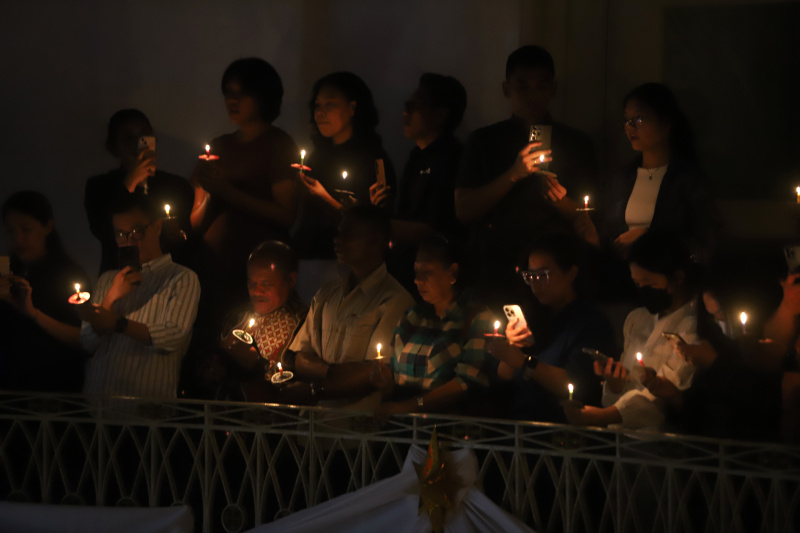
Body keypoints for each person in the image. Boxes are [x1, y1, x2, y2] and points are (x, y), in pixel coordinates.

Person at [454, 45, 597, 304]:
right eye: (523, 86)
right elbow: (463, 210)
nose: (533, 95)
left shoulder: (576, 143)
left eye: (542, 86)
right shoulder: (484, 141)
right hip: (494, 269)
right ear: (506, 89)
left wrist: (560, 201)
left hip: (553, 275)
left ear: (553, 89)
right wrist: (513, 174)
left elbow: (590, 220)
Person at [190, 57, 299, 321]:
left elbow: (286, 214)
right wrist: (208, 191)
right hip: (214, 267)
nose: (232, 101)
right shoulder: (218, 147)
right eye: (228, 93)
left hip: (258, 272)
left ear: (262, 96)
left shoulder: (278, 144)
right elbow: (194, 221)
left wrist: (227, 191)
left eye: (242, 93)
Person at [566, 232, 698, 430]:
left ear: (677, 278)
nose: (643, 290)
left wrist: (600, 417)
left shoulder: (692, 327)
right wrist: (615, 383)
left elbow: (661, 399)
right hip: (622, 444)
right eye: (637, 284)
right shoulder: (638, 320)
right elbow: (626, 388)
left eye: (650, 283)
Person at [288, 205, 414, 408]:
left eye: (349, 234)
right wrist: (334, 373)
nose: (338, 240)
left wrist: (316, 387)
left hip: (359, 428)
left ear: (376, 241)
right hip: (313, 426)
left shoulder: (395, 301)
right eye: (339, 232)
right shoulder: (327, 294)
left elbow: (373, 373)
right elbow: (300, 357)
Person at [487, 233, 616, 423]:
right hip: (520, 426)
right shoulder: (534, 316)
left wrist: (524, 362)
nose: (535, 283)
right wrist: (510, 349)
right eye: (530, 276)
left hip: (562, 431)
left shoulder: (591, 321)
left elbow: (577, 384)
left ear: (571, 273)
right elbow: (503, 376)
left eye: (543, 275)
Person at [80, 195, 200, 398]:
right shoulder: (109, 280)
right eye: (121, 234)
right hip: (98, 403)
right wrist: (111, 298)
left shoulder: (181, 278)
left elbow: (173, 336)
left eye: (137, 231)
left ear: (157, 227)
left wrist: (119, 324)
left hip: (147, 409)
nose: (129, 242)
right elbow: (87, 341)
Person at [372, 236, 491, 422]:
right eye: (416, 271)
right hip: (401, 431)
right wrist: (383, 380)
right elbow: (392, 374)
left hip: (445, 432)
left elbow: (467, 382)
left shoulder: (475, 318)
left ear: (452, 273)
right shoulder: (412, 317)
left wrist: (411, 406)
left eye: (427, 272)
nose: (418, 280)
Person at [600, 83, 716, 259]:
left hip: (667, 277)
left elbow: (703, 244)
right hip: (621, 278)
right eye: (626, 120)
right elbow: (608, 235)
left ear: (666, 123)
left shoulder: (689, 180)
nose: (630, 127)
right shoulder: (621, 180)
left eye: (639, 119)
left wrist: (650, 238)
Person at [292, 72, 396, 260]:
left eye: (330, 104)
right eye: (317, 105)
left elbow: (372, 224)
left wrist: (324, 197)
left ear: (353, 107)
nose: (321, 113)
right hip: (309, 255)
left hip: (349, 260)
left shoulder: (372, 160)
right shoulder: (317, 157)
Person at [186, 240, 307, 401]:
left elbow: (297, 385)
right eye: (252, 283)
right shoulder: (237, 315)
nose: (256, 291)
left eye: (266, 284)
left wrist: (256, 366)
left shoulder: (304, 323)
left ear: (291, 280)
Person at [384, 73, 468, 292]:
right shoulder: (416, 156)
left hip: (434, 276)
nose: (405, 112)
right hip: (404, 267)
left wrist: (376, 224)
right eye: (406, 105)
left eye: (415, 105)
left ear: (440, 114)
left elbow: (435, 227)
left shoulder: (451, 157)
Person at [85, 109, 195, 274]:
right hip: (121, 273)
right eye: (128, 138)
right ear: (115, 147)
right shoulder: (99, 186)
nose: (138, 144)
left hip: (170, 277)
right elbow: (103, 231)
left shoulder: (176, 185)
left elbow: (190, 236)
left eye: (143, 136)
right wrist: (130, 181)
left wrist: (178, 235)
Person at [0, 191, 90, 391]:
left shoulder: (67, 275)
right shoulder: (8, 274)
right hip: (9, 390)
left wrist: (33, 314)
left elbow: (85, 339)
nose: (18, 239)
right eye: (10, 231)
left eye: (26, 229)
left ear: (47, 226)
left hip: (55, 390)